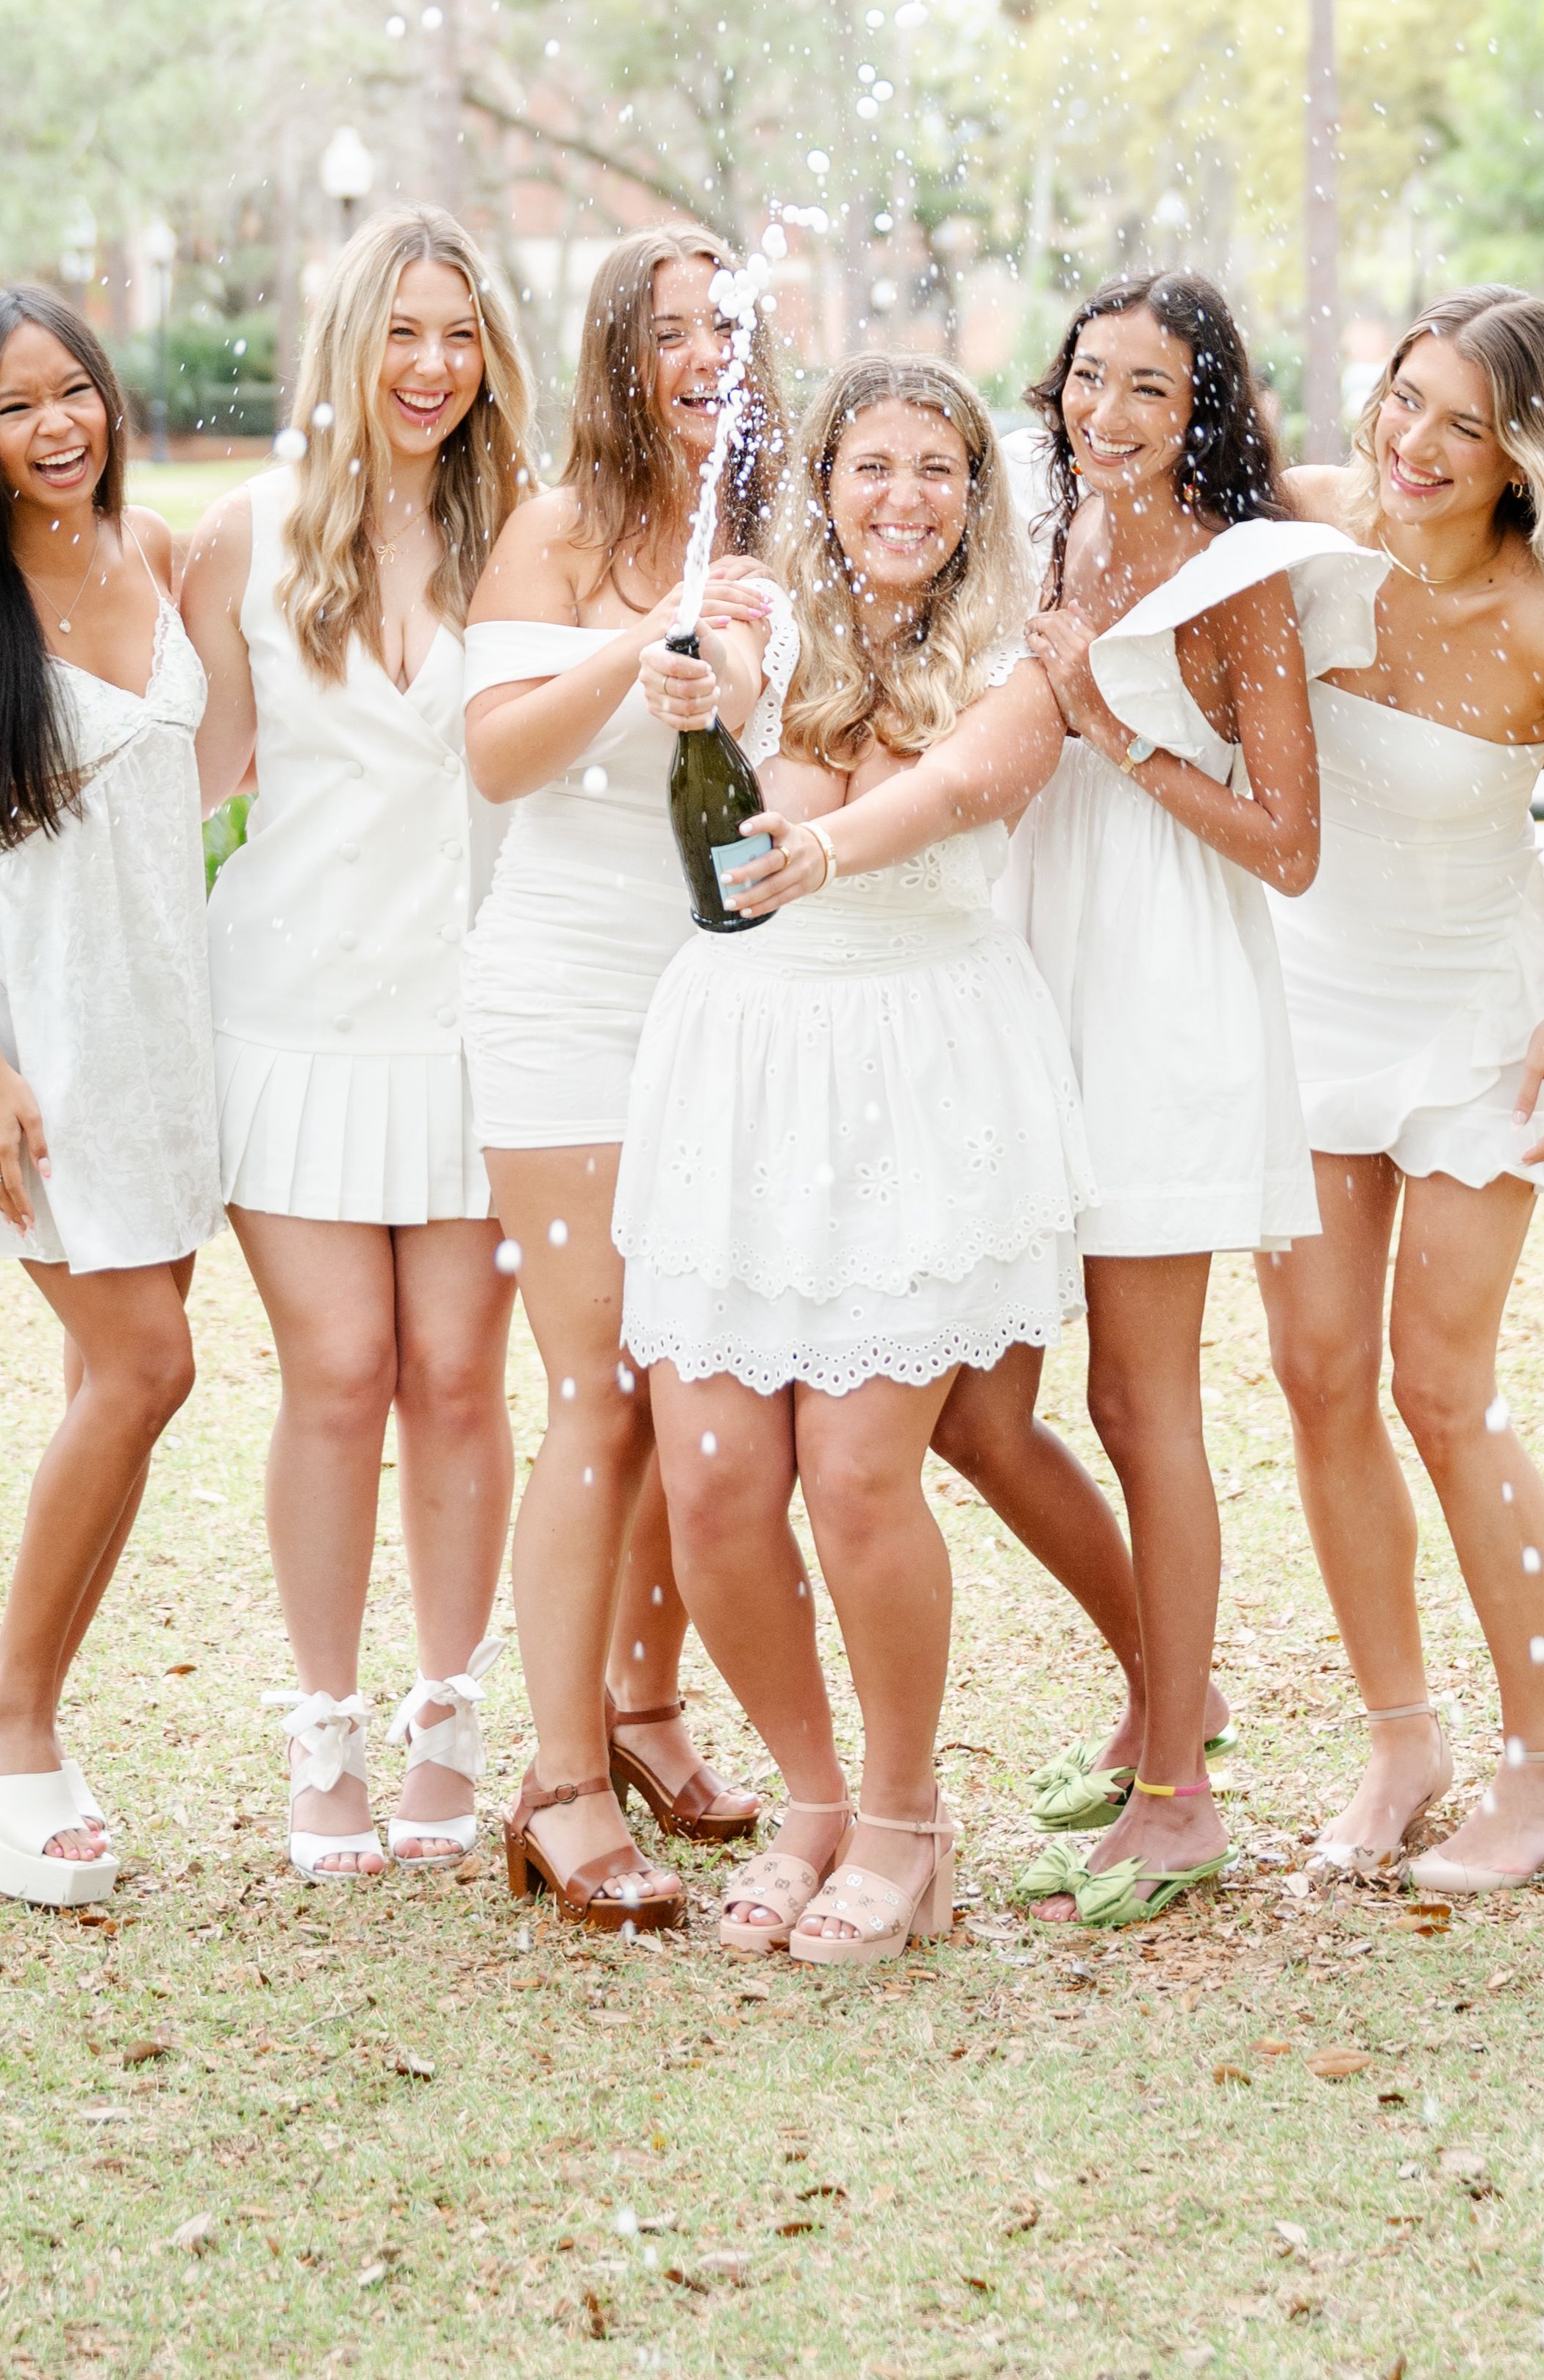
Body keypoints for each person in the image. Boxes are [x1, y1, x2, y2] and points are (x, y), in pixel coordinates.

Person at [623, 358, 1086, 1969]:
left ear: (976, 491)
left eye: (936, 467)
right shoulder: (766, 611)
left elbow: (967, 782)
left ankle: (904, 1817)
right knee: (712, 1477)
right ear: (822, 479)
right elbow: (726, 676)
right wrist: (703, 684)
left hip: (917, 1069)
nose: (901, 495)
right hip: (742, 1073)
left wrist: (823, 846)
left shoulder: (1031, 649)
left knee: (858, 1473)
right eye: (869, 463)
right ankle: (812, 1796)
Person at [1268, 285, 1544, 1892]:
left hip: (1470, 1013)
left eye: (1463, 421)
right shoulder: (1310, 520)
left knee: (1437, 1384)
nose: (1415, 444)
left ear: (1524, 453)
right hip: (1308, 999)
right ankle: (1399, 1735)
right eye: (1401, 398)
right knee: (1314, 1376)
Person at [997, 274, 1383, 1931]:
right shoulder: (1039, 540)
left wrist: (1109, 727)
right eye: (1089, 377)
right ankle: (1173, 1690)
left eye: (1149, 388)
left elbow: (1288, 841)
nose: (1108, 413)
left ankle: (1178, 1786)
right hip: (1027, 967)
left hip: (1161, 986)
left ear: (1203, 405)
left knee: (1140, 1395)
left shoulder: (1238, 577)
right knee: (984, 1399)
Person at [176, 210, 539, 1881]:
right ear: (347, 345)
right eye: (400, 331)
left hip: (477, 1018)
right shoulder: (243, 540)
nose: (429, 366)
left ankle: (448, 1709)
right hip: (293, 1012)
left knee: (460, 1377)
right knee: (336, 1374)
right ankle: (320, 1721)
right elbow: (187, 776)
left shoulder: (524, 537)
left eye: (458, 334)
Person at [0, 287, 221, 1911]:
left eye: (73, 390)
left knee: (124, 1380)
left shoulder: (155, 556)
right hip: (29, 1046)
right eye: (17, 406)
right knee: (147, 1364)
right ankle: (5, 1706)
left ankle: (10, 1717)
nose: (56, 425)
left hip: (157, 1032)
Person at [463, 227, 788, 1931]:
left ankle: (644, 1706)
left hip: (717, 995)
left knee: (693, 1375)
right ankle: (557, 1781)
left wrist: (722, 670)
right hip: (565, 1000)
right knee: (595, 1385)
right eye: (667, 330)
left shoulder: (769, 525)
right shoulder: (556, 529)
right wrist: (624, 654)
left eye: (723, 327)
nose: (697, 355)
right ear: (617, 349)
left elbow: (765, 722)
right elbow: (500, 753)